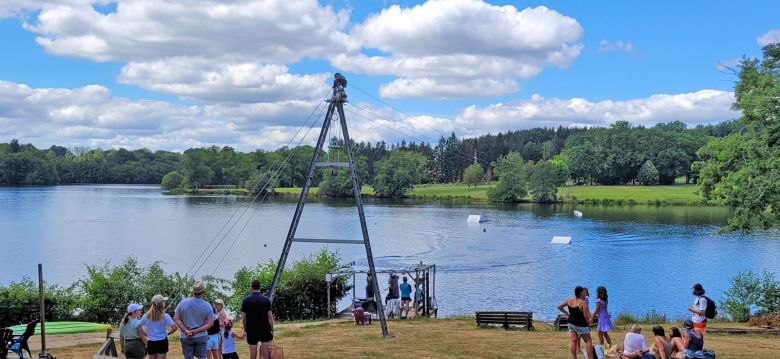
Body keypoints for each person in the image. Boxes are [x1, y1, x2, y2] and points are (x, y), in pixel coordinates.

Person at [174, 281, 216, 359]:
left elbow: (176, 318)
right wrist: (196, 331)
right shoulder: (207, 305)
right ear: (203, 291)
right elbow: (210, 323)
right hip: (201, 335)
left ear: (193, 291)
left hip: (185, 336)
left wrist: (186, 330)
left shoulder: (182, 303)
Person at [557, 286, 594, 359]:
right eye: (583, 293)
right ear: (580, 293)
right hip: (581, 324)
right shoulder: (583, 303)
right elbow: (586, 316)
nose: (584, 294)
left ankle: (574, 358)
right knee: (588, 341)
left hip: (571, 323)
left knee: (573, 341)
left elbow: (559, 306)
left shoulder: (569, 300)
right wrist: (589, 324)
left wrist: (567, 313)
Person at [137, 294, 177, 359]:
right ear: (161, 303)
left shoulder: (146, 315)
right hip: (162, 342)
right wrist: (167, 333)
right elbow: (174, 328)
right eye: (163, 301)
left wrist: (146, 334)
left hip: (151, 342)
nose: (164, 303)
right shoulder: (165, 316)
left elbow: (138, 327)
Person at [241, 279, 274, 359]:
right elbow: (270, 317)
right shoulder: (266, 300)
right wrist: (272, 329)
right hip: (265, 329)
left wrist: (245, 329)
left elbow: (244, 317)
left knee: (253, 354)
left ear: (251, 287)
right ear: (260, 287)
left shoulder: (246, 300)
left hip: (251, 329)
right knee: (266, 353)